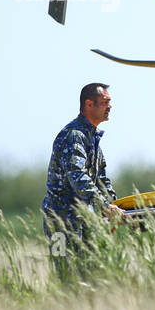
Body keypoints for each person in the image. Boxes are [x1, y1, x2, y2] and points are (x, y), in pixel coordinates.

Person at [41, 82, 120, 275]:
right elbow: (78, 176)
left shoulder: (91, 138)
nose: (110, 106)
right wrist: (104, 206)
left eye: (109, 102)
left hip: (84, 219)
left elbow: (101, 180)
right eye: (105, 102)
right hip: (61, 220)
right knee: (65, 274)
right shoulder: (74, 136)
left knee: (90, 275)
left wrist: (117, 206)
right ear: (89, 104)